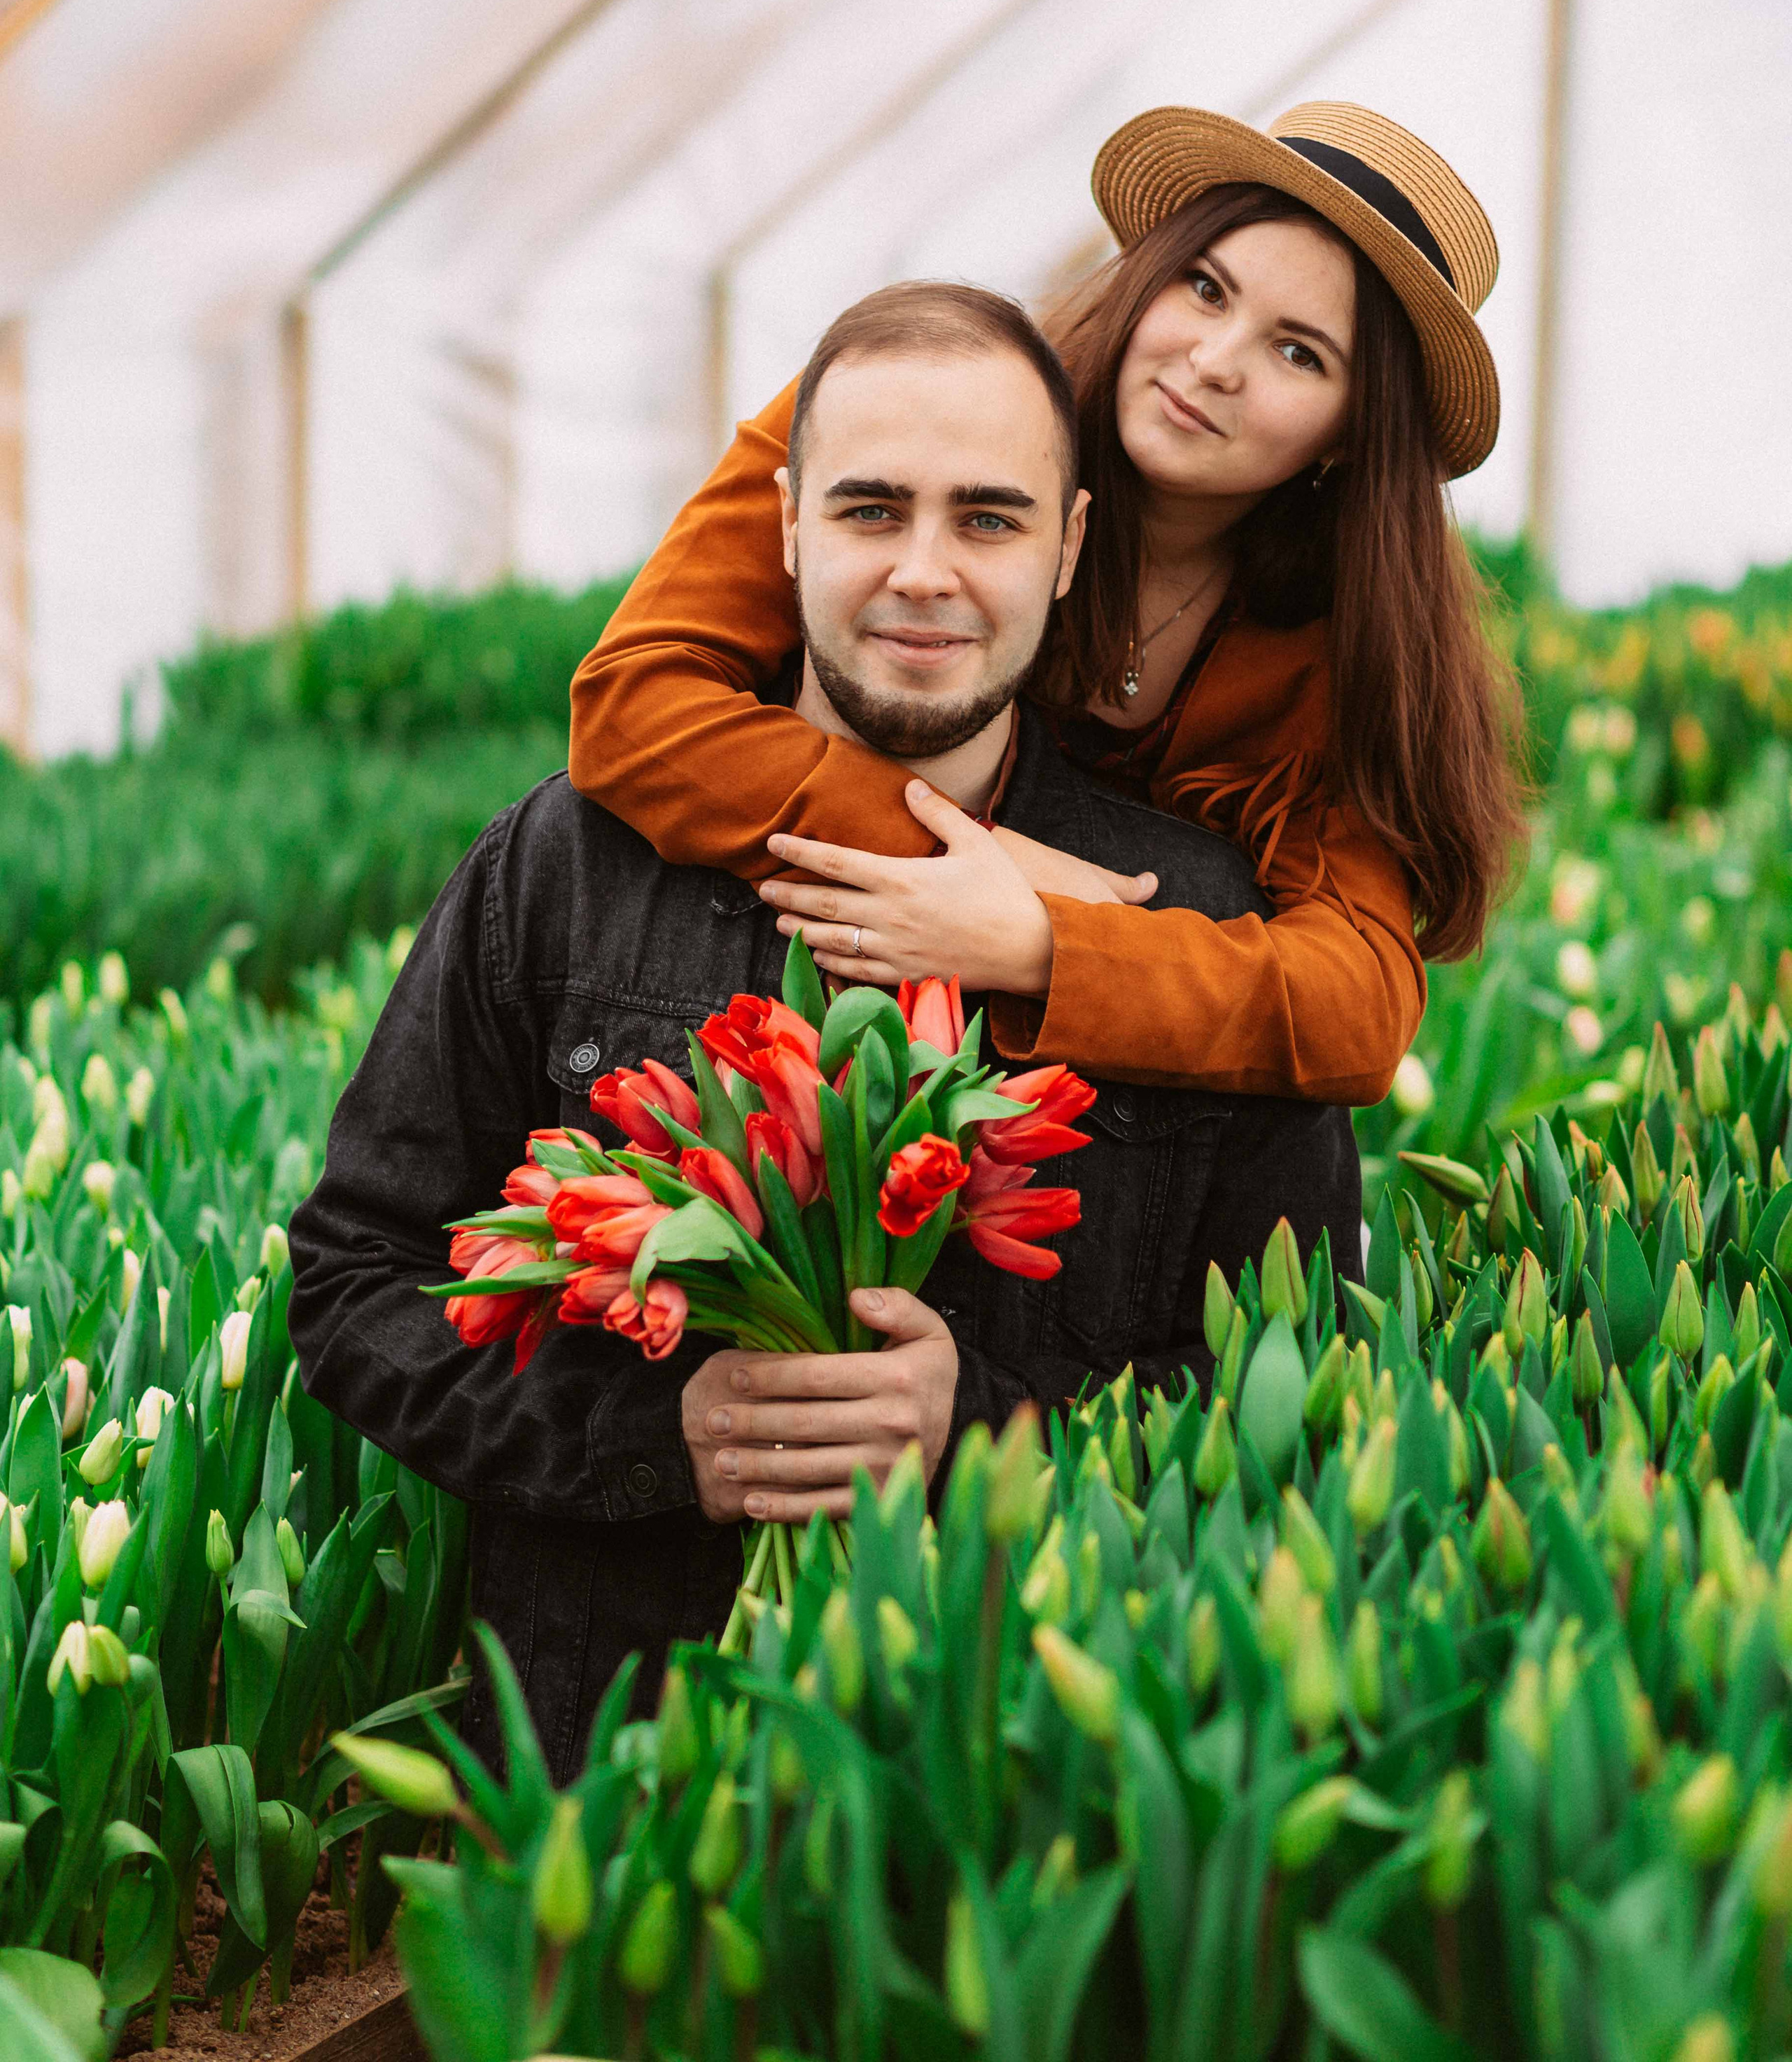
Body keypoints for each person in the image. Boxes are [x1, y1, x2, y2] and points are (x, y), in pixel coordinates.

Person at [286, 288, 1359, 1782]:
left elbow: (1298, 1397)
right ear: (784, 525)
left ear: (1068, 545)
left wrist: (977, 1429)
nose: (923, 573)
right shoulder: (571, 865)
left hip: (1007, 1798)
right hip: (604, 1777)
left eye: (987, 520)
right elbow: (354, 1284)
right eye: (870, 509)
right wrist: (664, 1438)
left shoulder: (1187, 920)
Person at [568, 102, 1526, 1107]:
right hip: (756, 1011)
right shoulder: (904, 407)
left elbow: (1356, 1006)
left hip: (1102, 1141)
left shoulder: (1338, 649)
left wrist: (1046, 943)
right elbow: (635, 704)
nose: (1214, 361)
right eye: (1204, 289)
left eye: (1299, 353)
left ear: (1350, 432)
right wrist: (961, 850)